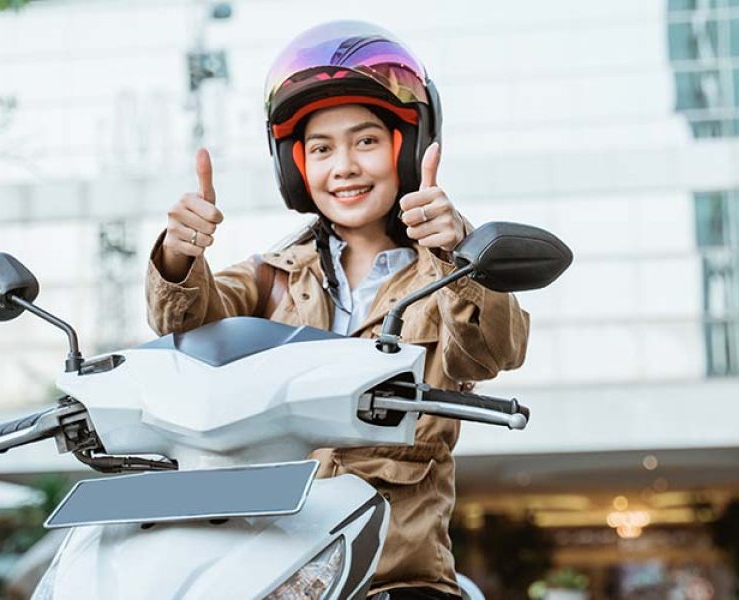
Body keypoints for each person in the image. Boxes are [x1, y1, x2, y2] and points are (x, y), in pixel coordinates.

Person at [145, 20, 529, 599]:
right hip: (259, 564)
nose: (343, 166)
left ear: (409, 147)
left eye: (365, 141)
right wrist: (178, 254)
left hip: (393, 576)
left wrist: (457, 252)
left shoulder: (447, 272)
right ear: (296, 165)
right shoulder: (271, 275)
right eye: (321, 148)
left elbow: (491, 352)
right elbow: (187, 328)